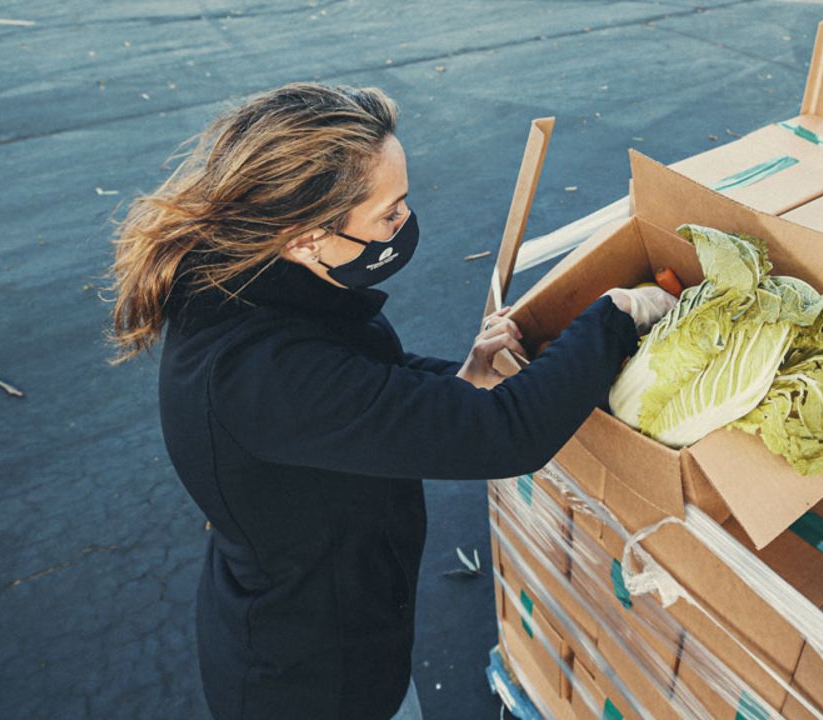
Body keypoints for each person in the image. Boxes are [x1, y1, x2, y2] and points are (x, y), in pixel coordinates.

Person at [105, 82, 675, 720]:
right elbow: (508, 434)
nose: (405, 223)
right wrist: (617, 315)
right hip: (319, 684)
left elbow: (366, 383)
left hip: (335, 617)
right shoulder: (259, 372)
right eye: (389, 212)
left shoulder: (257, 282)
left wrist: (459, 381)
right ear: (306, 236)